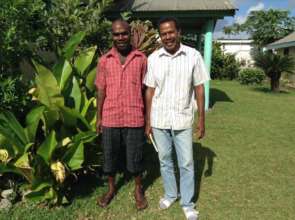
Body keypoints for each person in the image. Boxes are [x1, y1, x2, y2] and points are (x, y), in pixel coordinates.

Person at [144, 17, 210, 220]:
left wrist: (201, 120)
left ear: (178, 32)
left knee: (187, 163)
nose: (168, 37)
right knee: (164, 160)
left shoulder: (193, 55)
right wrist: (148, 121)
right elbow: (150, 90)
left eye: (171, 32)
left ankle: (188, 203)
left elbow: (199, 87)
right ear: (160, 36)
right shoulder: (153, 58)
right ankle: (171, 194)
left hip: (182, 118)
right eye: (163, 34)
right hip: (159, 118)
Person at [95, 19, 148, 210]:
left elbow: (146, 91)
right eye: (116, 34)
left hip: (134, 116)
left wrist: (147, 119)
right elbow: (100, 90)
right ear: (112, 36)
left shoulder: (141, 59)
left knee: (136, 156)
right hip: (111, 116)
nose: (120, 37)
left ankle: (138, 189)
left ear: (130, 33)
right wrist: (99, 117)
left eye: (124, 33)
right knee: (109, 155)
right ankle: (110, 189)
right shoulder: (104, 61)